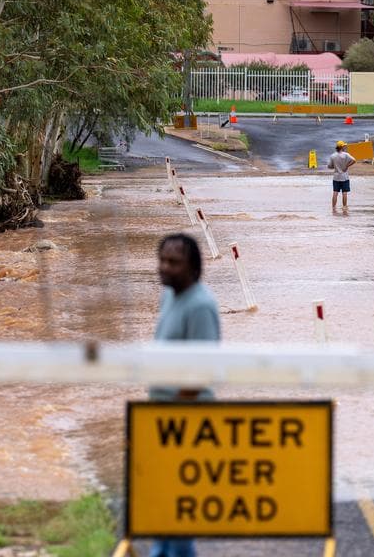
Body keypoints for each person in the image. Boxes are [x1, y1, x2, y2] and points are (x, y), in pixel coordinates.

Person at [150, 233, 220, 557]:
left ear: (193, 268)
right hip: (162, 417)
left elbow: (201, 374)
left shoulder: (202, 306)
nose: (165, 267)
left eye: (174, 262)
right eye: (162, 260)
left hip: (187, 420)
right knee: (162, 505)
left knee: (179, 508)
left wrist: (174, 418)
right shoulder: (169, 295)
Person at [327, 140, 356, 211]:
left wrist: (335, 166)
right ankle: (344, 207)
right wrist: (347, 166)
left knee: (335, 192)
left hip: (336, 177)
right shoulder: (346, 155)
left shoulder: (333, 156)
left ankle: (333, 208)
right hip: (344, 177)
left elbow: (329, 166)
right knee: (344, 193)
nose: (345, 147)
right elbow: (354, 160)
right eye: (344, 146)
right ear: (342, 147)